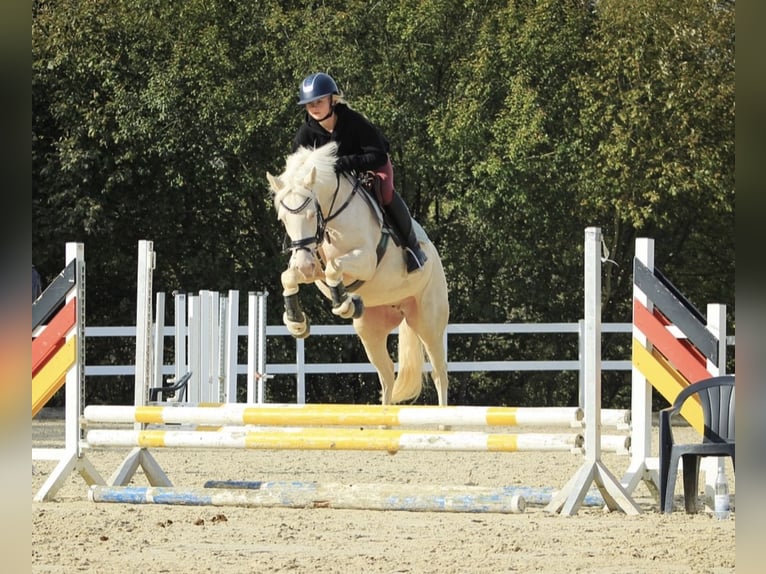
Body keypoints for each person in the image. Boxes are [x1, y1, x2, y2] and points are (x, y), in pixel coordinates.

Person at [292, 72, 428, 273]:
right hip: (334, 180)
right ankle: (298, 249)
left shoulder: (353, 122)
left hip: (370, 167)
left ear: (332, 100)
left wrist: (343, 163)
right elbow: (297, 169)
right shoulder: (305, 133)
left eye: (319, 101)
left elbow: (379, 156)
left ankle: (412, 248)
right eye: (309, 104)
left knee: (385, 192)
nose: (314, 108)